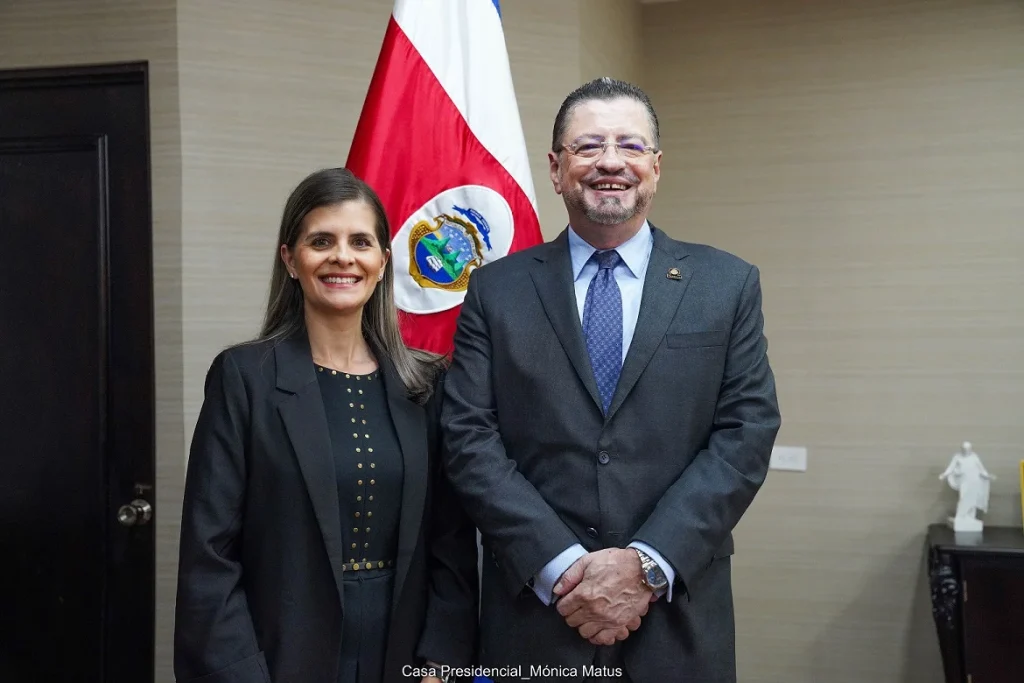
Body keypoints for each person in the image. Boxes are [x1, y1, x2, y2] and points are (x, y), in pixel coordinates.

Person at [441, 78, 782, 682]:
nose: (610, 162)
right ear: (555, 167)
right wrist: (564, 567)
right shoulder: (496, 292)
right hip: (537, 616)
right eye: (588, 145)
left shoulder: (726, 285)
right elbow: (469, 437)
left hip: (679, 620)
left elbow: (745, 433)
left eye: (630, 145)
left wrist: (646, 566)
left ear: (655, 166)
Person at [174, 168, 478, 683]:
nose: (343, 257)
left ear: (383, 261)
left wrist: (440, 664)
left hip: (403, 651)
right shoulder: (244, 378)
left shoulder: (424, 382)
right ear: (291, 259)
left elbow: (450, 540)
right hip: (279, 650)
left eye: (361, 242)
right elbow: (210, 555)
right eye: (322, 241)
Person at [939, 441, 996, 531]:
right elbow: (951, 467)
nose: (966, 450)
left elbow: (981, 469)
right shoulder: (957, 457)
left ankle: (970, 517)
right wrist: (944, 474)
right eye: (964, 449)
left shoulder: (974, 457)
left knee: (973, 499)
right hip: (964, 481)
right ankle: (961, 516)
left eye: (968, 449)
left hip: (974, 481)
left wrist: (988, 476)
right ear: (962, 449)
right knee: (963, 498)